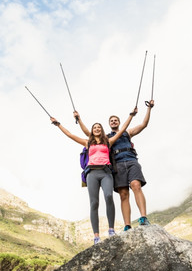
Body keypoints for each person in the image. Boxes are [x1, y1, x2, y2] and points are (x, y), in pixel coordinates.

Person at [50, 107, 137, 244]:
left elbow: (122, 130)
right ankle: (96, 236)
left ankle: (111, 229)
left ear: (102, 130)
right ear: (92, 130)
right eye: (94, 127)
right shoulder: (87, 142)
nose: (97, 129)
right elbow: (70, 134)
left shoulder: (109, 141)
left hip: (106, 172)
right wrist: (58, 124)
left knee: (109, 196)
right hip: (92, 173)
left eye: (99, 127)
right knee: (94, 203)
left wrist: (131, 115)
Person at [77, 100, 154, 231]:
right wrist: (79, 119)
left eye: (115, 120)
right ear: (108, 124)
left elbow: (144, 124)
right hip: (117, 165)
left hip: (131, 160)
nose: (113, 122)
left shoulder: (127, 132)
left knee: (136, 185)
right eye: (111, 120)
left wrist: (149, 109)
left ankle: (143, 217)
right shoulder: (105, 139)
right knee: (123, 194)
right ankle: (127, 225)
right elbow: (87, 133)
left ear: (119, 122)